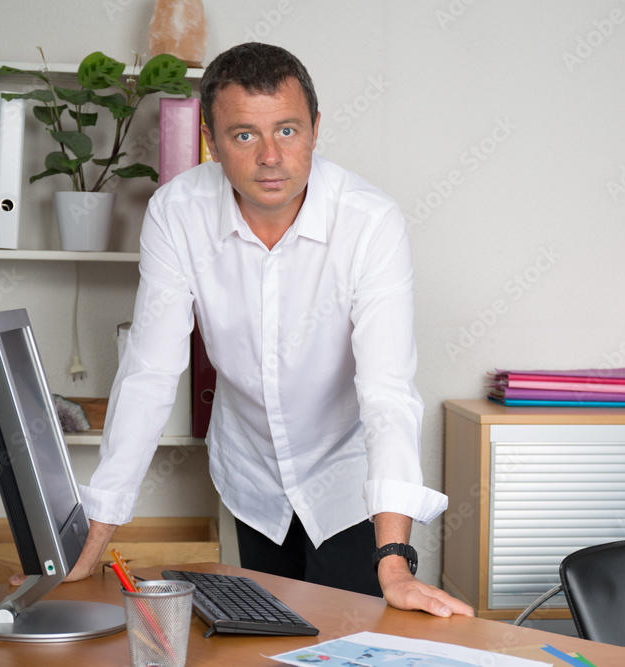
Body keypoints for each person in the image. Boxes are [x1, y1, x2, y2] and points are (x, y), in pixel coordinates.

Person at [62, 42, 473, 618]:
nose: (271, 157)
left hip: (348, 479)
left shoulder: (370, 221)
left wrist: (396, 558)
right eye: (245, 136)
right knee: (264, 642)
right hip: (251, 475)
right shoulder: (176, 214)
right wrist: (96, 530)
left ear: (315, 129)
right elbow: (151, 372)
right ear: (211, 140)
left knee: (354, 640)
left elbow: (387, 390)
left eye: (287, 130)